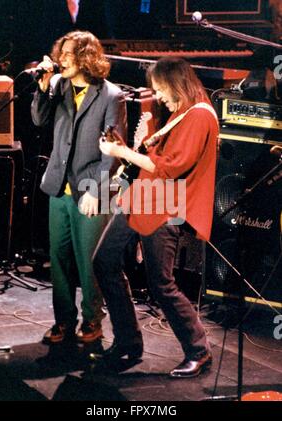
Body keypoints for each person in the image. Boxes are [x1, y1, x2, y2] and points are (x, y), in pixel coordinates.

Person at [92, 57, 219, 377]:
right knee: (104, 261)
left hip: (165, 206)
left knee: (161, 283)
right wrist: (128, 149)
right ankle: (128, 343)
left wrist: (122, 154)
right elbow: (156, 160)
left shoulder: (200, 115)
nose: (158, 95)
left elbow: (171, 168)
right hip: (141, 199)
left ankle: (198, 350)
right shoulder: (180, 114)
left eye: (161, 89)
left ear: (178, 83)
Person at [31, 30, 127, 345]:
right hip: (59, 188)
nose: (61, 59)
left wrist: (95, 192)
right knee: (58, 259)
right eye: (61, 53)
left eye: (69, 54)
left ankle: (91, 321)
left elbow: (110, 153)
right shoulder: (58, 86)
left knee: (88, 262)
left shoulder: (111, 95)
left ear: (85, 58)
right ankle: (63, 321)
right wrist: (42, 89)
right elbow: (38, 120)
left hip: (90, 190)